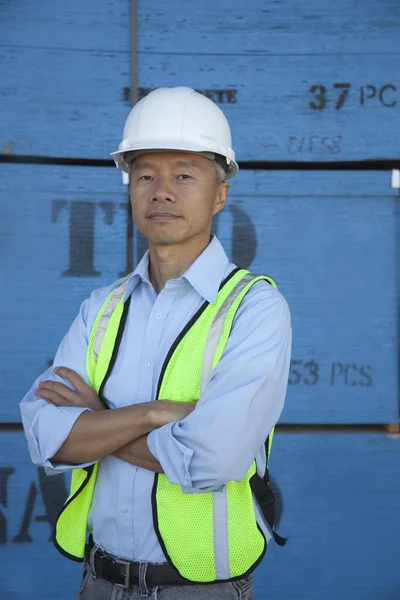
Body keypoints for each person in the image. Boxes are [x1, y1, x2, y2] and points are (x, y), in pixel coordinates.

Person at [20, 86, 292, 600]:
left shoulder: (254, 309)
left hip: (201, 590)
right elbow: (46, 437)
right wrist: (156, 414)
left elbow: (214, 460)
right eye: (145, 175)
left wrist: (97, 419)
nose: (161, 191)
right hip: (98, 583)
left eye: (184, 175)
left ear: (219, 194)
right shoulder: (100, 308)